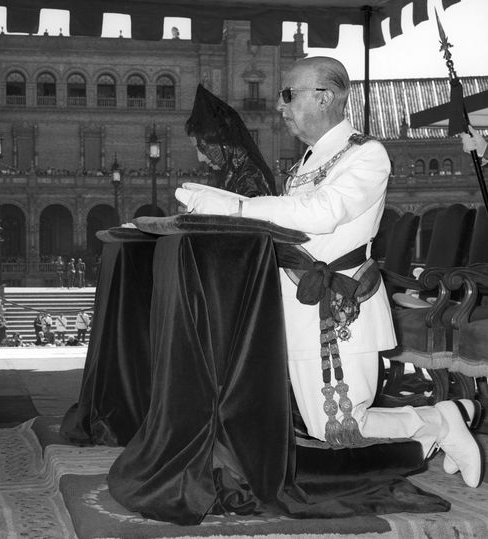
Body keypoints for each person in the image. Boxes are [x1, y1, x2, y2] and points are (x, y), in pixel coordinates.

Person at [177, 56, 482, 488]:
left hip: (339, 308)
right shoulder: (305, 162)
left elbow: (320, 214)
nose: (280, 106)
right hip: (297, 301)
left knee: (343, 425)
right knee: (321, 424)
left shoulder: (366, 154)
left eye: (289, 94)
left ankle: (440, 420)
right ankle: (439, 425)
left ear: (324, 97)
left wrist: (237, 206)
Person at [185, 84, 275, 197]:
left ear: (224, 143)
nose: (200, 158)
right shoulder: (232, 172)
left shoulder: (251, 176)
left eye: (202, 148)